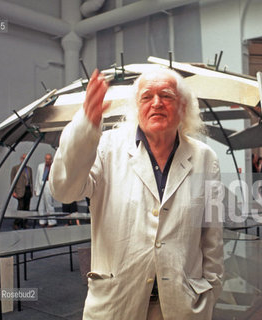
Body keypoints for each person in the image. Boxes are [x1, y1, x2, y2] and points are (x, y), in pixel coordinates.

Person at [50, 68, 224, 319]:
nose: (156, 103)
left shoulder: (205, 158)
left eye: (166, 95)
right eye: (146, 97)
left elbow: (213, 237)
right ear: (135, 107)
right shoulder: (105, 148)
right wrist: (85, 125)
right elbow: (65, 190)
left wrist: (211, 290)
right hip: (117, 303)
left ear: (183, 106)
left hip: (182, 306)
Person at [11, 153, 33, 229]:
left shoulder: (29, 169)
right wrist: (13, 191)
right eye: (23, 158)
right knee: (20, 207)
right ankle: (16, 223)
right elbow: (12, 181)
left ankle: (24, 223)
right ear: (21, 159)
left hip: (28, 190)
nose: (24, 160)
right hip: (19, 191)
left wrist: (31, 191)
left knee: (27, 208)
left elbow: (31, 181)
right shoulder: (15, 168)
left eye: (26, 158)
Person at [35, 153, 57, 227]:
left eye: (49, 159)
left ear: (51, 159)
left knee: (49, 204)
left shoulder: (54, 167)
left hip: (49, 185)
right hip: (41, 185)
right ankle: (42, 221)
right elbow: (37, 177)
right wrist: (36, 188)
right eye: (46, 159)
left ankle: (52, 221)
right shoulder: (40, 166)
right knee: (41, 205)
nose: (47, 160)